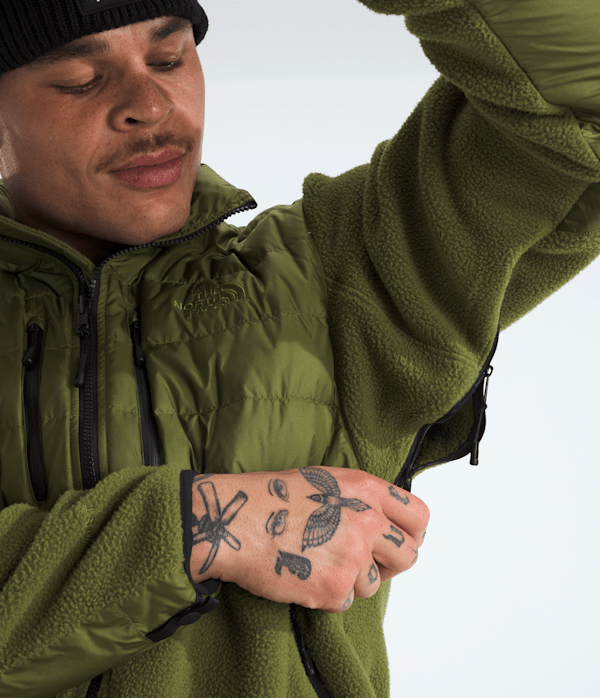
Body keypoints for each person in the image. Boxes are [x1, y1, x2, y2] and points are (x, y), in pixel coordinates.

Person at [0, 0, 598, 697]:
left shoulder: (337, 273)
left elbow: (579, 106)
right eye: (80, 80)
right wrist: (198, 529)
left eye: (169, 59)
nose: (151, 106)